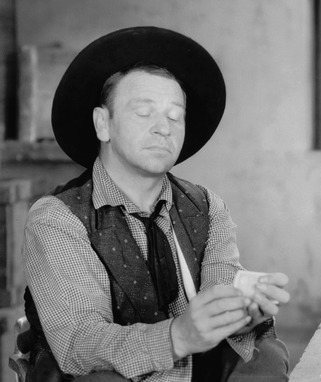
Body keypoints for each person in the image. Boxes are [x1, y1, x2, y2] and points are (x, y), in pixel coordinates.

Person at [23, 26, 291, 382]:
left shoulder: (207, 207)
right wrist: (176, 336)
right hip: (108, 375)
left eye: (175, 115)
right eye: (144, 112)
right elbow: (79, 343)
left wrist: (242, 311)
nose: (164, 128)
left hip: (197, 371)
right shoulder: (58, 218)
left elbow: (219, 290)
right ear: (103, 124)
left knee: (265, 355)